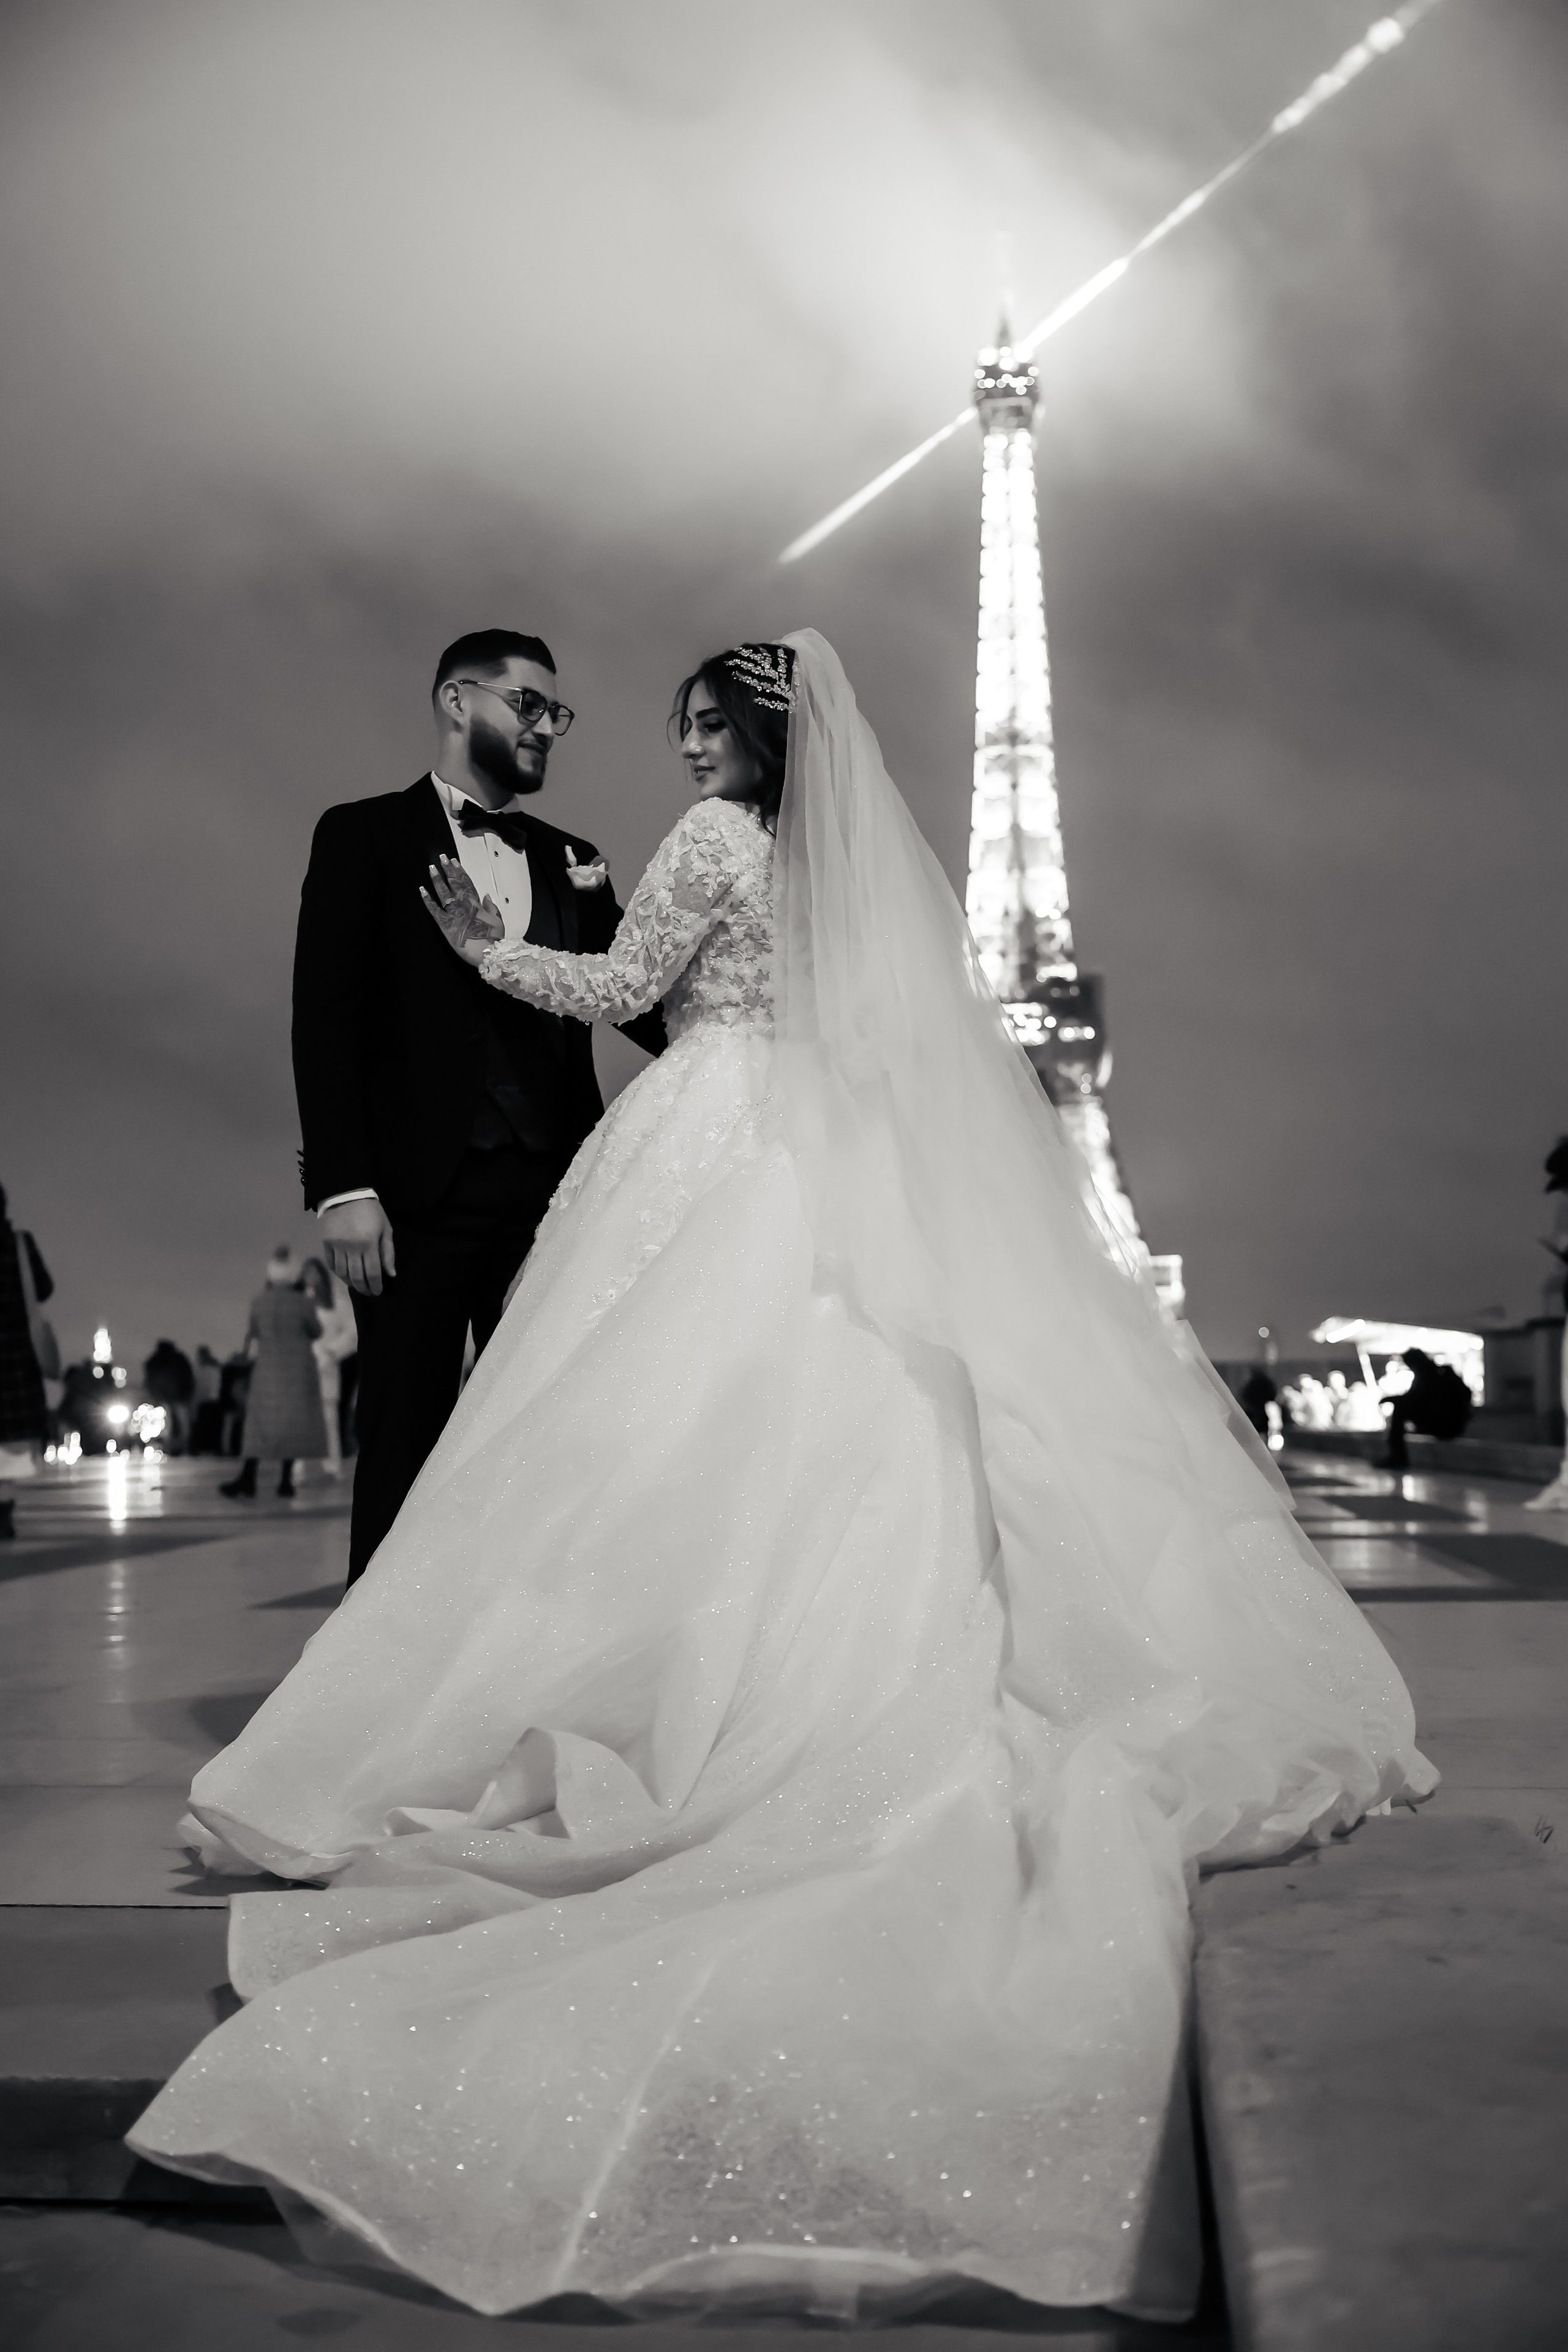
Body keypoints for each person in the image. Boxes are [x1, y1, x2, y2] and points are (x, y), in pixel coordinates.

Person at [132, 635, 1434, 2323]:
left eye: (696, 721)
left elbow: (616, 996)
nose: (672, 743)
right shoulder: (842, 873)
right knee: (831, 1442)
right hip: (828, 1151)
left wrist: (495, 943)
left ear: (751, 735)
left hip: (709, 1137)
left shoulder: (700, 844)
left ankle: (580, 1698)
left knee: (612, 1450)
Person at [293, 628, 666, 1583]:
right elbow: (324, 1019)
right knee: (403, 1451)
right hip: (413, 1204)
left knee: (552, 1454)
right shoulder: (360, 835)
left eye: (557, 713)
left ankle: (520, 1688)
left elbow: (637, 1008)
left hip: (554, 1206)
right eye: (527, 705)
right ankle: (374, 1705)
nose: (547, 728)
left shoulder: (575, 856)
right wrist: (343, 1189)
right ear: (459, 702)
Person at [219, 1251, 326, 1501]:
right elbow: (316, 1330)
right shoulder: (303, 1302)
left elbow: (253, 1332)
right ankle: (285, 1481)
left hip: (268, 1367)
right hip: (298, 1368)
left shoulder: (259, 1301)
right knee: (293, 1423)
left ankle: (248, 1477)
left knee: (259, 1424)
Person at [0, 1186, 56, 1539]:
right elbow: (44, 1289)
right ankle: (4, 1510)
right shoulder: (20, 1244)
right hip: (13, 1353)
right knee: (12, 1442)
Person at [300, 1257, 356, 1479]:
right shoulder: (300, 1301)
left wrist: (332, 1352)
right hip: (303, 1366)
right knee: (302, 1418)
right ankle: (298, 1467)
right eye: (306, 1273)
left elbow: (352, 1333)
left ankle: (332, 1466)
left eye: (313, 1273)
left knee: (329, 1418)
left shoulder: (337, 1301)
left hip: (327, 1365)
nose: (310, 1278)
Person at [1378, 1346, 1472, 1471]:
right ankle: (1397, 1456)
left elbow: (1416, 1398)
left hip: (1444, 1425)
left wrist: (1391, 1399)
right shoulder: (1441, 1372)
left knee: (1400, 1408)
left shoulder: (1428, 1374)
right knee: (1401, 1406)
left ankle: (1398, 1457)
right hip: (1451, 1424)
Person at [141, 1339, 195, 1455]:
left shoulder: (155, 1361)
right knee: (182, 1422)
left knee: (167, 1422)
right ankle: (184, 1447)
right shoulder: (179, 1360)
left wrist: (154, 1395)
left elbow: (149, 1379)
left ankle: (170, 1447)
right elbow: (188, 1377)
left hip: (164, 1396)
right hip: (179, 1396)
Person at [1238, 1363, 1277, 1438]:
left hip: (1254, 1410)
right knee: (1262, 1431)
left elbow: (1244, 1396)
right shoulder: (1266, 1383)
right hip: (1260, 1410)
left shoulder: (1251, 1385)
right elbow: (1272, 1396)